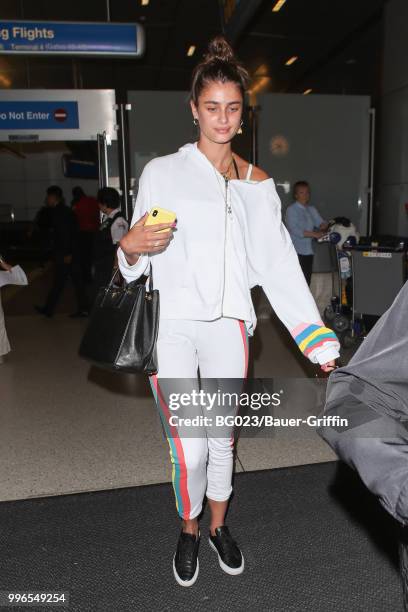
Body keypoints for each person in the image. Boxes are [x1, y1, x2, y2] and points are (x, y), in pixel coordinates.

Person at [117, 36, 340, 588]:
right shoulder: (163, 173)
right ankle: (187, 528)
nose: (222, 119)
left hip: (230, 329)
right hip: (171, 328)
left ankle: (216, 526)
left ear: (244, 114)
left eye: (233, 108)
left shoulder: (258, 186)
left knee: (221, 440)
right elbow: (136, 263)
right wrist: (128, 250)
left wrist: (315, 337)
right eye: (211, 107)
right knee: (189, 448)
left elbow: (278, 267)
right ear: (194, 109)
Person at [35, 186, 89, 318]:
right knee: (69, 281)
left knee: (68, 281)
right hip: (70, 252)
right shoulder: (64, 210)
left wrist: (68, 253)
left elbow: (65, 234)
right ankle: (51, 309)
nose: (46, 199)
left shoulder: (60, 212)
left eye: (48, 197)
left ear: (53, 197)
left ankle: (51, 309)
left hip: (66, 254)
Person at [285, 181, 329, 285]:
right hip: (295, 252)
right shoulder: (291, 210)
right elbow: (295, 230)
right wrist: (315, 234)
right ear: (295, 195)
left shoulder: (311, 209)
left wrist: (326, 225)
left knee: (306, 281)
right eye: (301, 192)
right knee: (296, 282)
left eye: (307, 192)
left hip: (308, 252)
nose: (305, 195)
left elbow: (321, 223)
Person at [91, 187, 128, 303]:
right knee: (100, 296)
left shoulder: (118, 221)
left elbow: (120, 246)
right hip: (103, 264)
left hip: (110, 265)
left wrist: (116, 270)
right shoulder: (109, 219)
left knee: (108, 297)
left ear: (104, 204)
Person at [71, 186, 100, 284]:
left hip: (83, 234)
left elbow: (74, 218)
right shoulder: (92, 200)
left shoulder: (76, 204)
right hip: (95, 232)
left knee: (85, 257)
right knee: (93, 255)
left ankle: (87, 278)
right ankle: (93, 275)